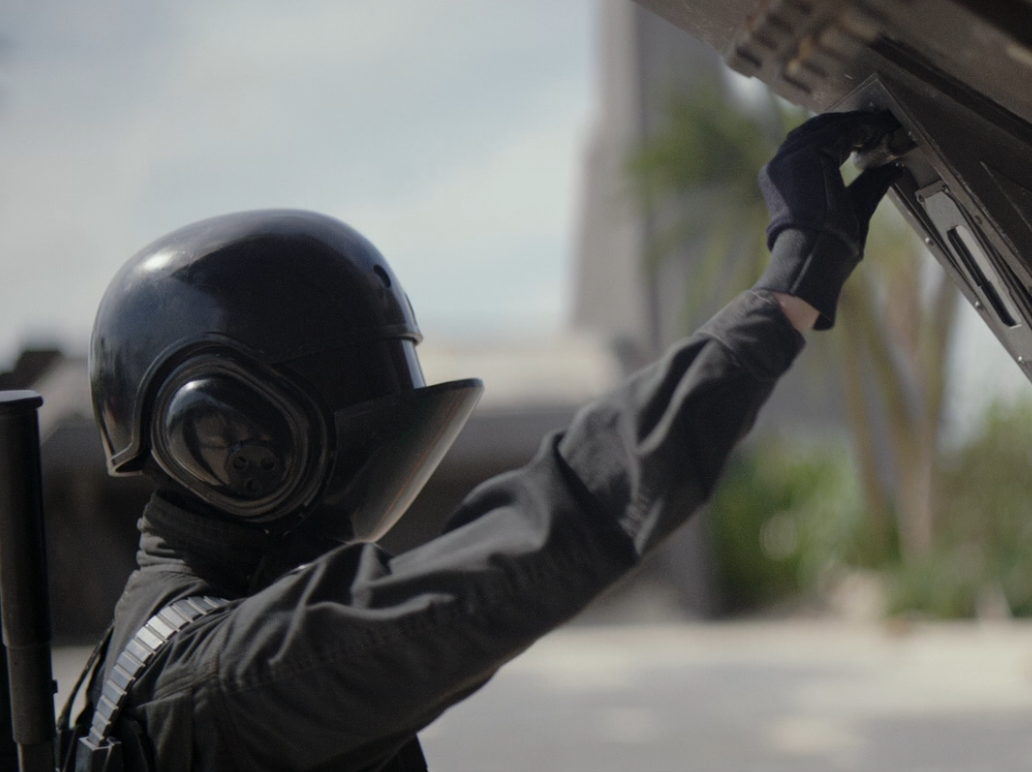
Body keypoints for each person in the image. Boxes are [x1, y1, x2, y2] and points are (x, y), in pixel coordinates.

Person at [59, 111, 902, 772]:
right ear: (240, 441)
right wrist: (786, 294)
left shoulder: (162, 643)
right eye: (361, 426)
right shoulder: (234, 682)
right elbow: (535, 542)